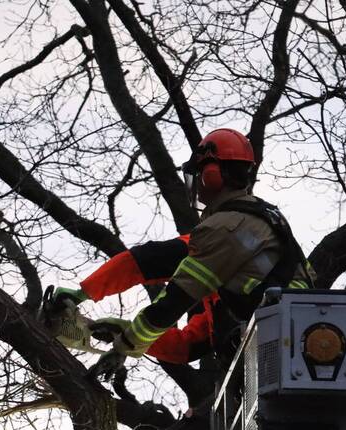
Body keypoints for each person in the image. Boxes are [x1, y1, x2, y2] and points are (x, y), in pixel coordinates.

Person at [53, 128, 314, 372]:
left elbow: (163, 283)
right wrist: (123, 332)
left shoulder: (225, 230)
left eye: (198, 175)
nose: (196, 184)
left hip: (277, 348)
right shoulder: (240, 264)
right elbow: (187, 346)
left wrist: (85, 297)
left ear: (211, 174)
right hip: (280, 353)